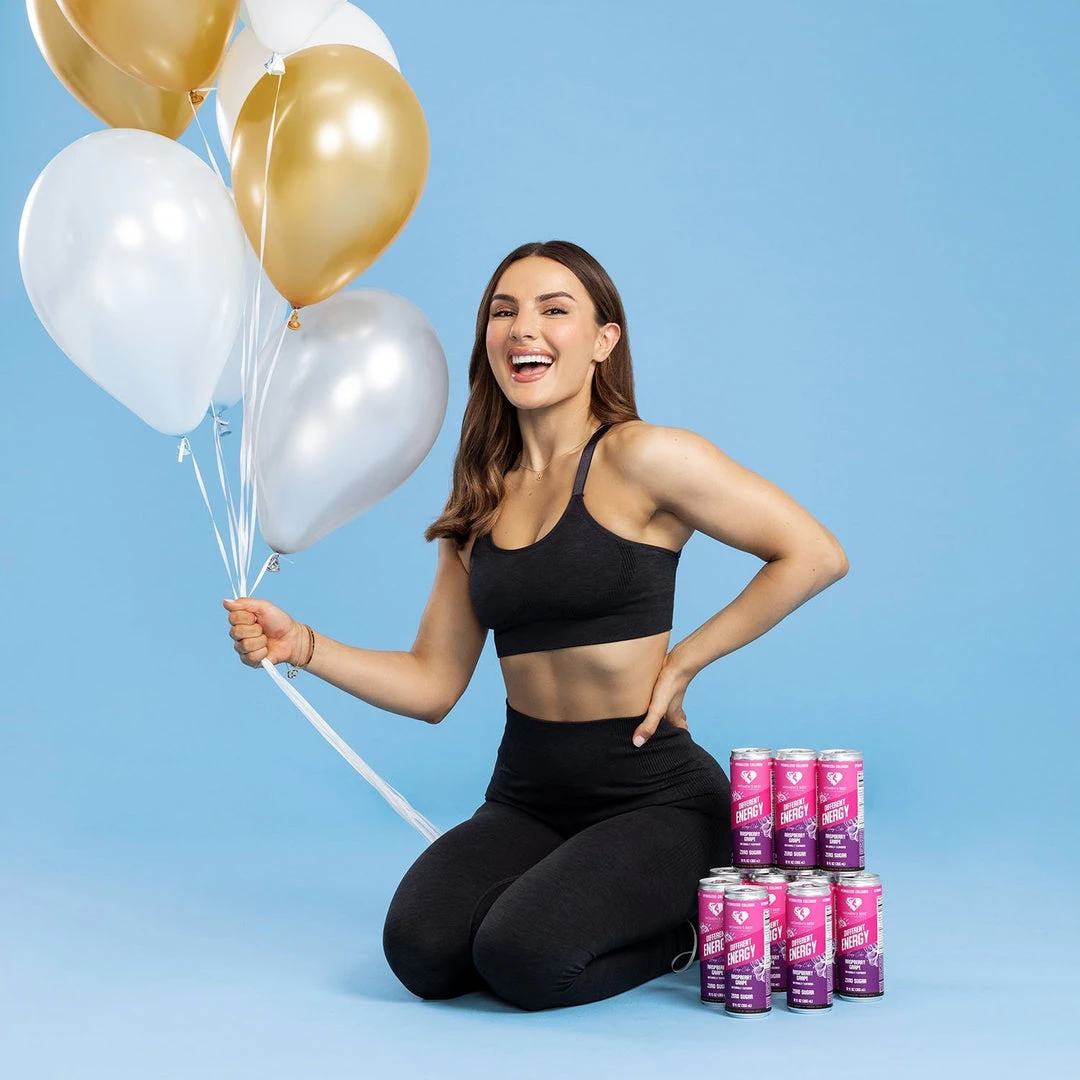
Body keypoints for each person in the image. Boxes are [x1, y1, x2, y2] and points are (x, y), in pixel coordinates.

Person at [223, 240, 849, 1011]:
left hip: (654, 799)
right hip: (527, 797)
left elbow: (814, 554)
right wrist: (303, 645)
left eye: (555, 310)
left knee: (524, 959)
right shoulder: (480, 496)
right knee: (422, 953)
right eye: (504, 312)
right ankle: (567, 899)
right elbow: (433, 684)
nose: (524, 328)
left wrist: (687, 659)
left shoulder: (644, 458)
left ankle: (699, 929)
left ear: (603, 340)